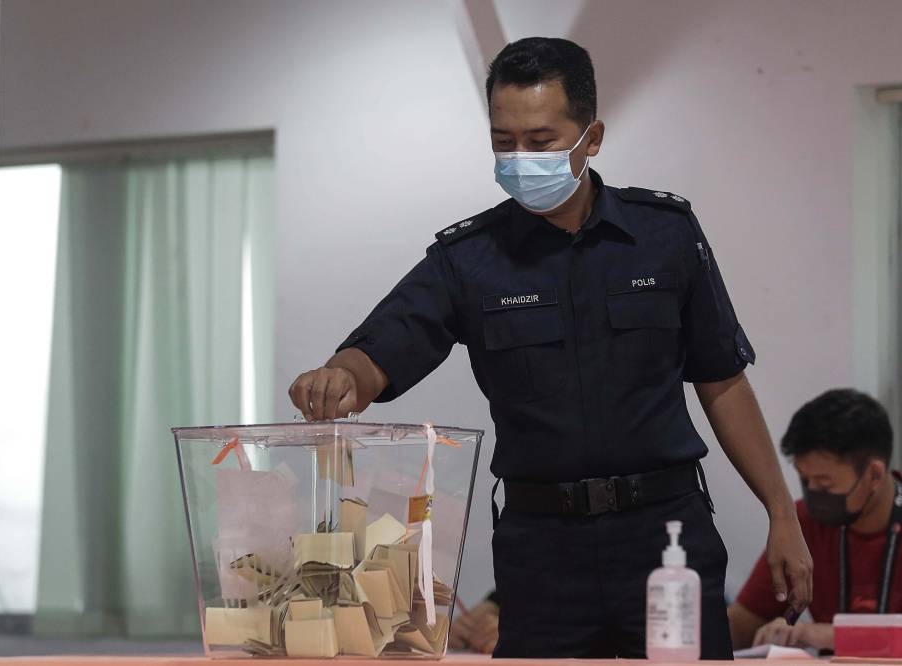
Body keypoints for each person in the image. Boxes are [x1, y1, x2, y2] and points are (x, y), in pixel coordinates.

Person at [288, 36, 812, 658]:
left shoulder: (663, 235)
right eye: (502, 142)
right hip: (542, 547)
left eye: (540, 142)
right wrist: (339, 376)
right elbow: (380, 350)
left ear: (591, 138)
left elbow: (722, 381)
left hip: (664, 532)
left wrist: (782, 512)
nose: (519, 159)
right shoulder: (470, 260)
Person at [729, 389, 899, 652]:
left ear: (874, 475)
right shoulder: (804, 522)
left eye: (824, 482)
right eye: (805, 480)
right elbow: (743, 623)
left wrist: (825, 635)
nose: (813, 493)